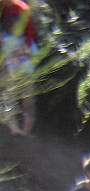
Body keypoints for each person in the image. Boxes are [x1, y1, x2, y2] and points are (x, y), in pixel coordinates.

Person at [1, 0, 37, 135]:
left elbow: (30, 34)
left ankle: (27, 128)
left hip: (22, 53)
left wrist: (25, 49)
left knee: (27, 93)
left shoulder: (21, 8)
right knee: (8, 92)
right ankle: (13, 128)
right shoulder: (4, 9)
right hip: (7, 55)